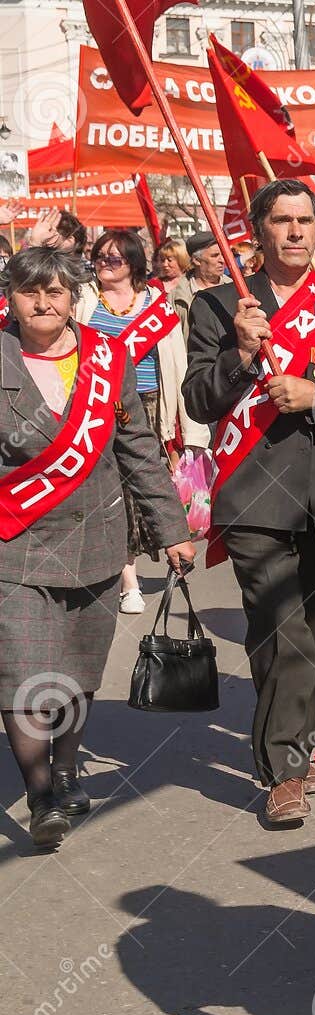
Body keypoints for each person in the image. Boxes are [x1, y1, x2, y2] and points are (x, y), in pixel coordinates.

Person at [184, 178, 315, 825]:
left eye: (307, 220)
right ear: (259, 229)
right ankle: (284, 772)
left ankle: (294, 744)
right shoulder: (219, 307)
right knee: (283, 630)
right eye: (283, 220)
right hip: (253, 495)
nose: (297, 231)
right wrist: (243, 355)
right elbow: (197, 399)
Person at [0, 246, 193, 848]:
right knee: (22, 672)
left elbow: (138, 453)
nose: (43, 302)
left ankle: (66, 766)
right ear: (11, 296)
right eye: (31, 291)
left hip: (97, 538)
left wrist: (173, 530)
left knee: (79, 670)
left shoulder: (106, 357)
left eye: (56, 291)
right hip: (17, 544)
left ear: (73, 296)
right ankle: (41, 794)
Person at [76, 229, 208, 614]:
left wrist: (193, 429)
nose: (104, 263)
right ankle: (127, 579)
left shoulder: (157, 303)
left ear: (133, 263)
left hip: (147, 409)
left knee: (146, 489)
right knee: (114, 491)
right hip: (97, 406)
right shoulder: (84, 299)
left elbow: (178, 365)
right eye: (99, 256)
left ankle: (163, 549)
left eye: (114, 258)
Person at [170, 233, 226, 336]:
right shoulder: (176, 298)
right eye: (215, 256)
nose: (222, 260)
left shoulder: (234, 287)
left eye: (223, 254)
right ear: (197, 260)